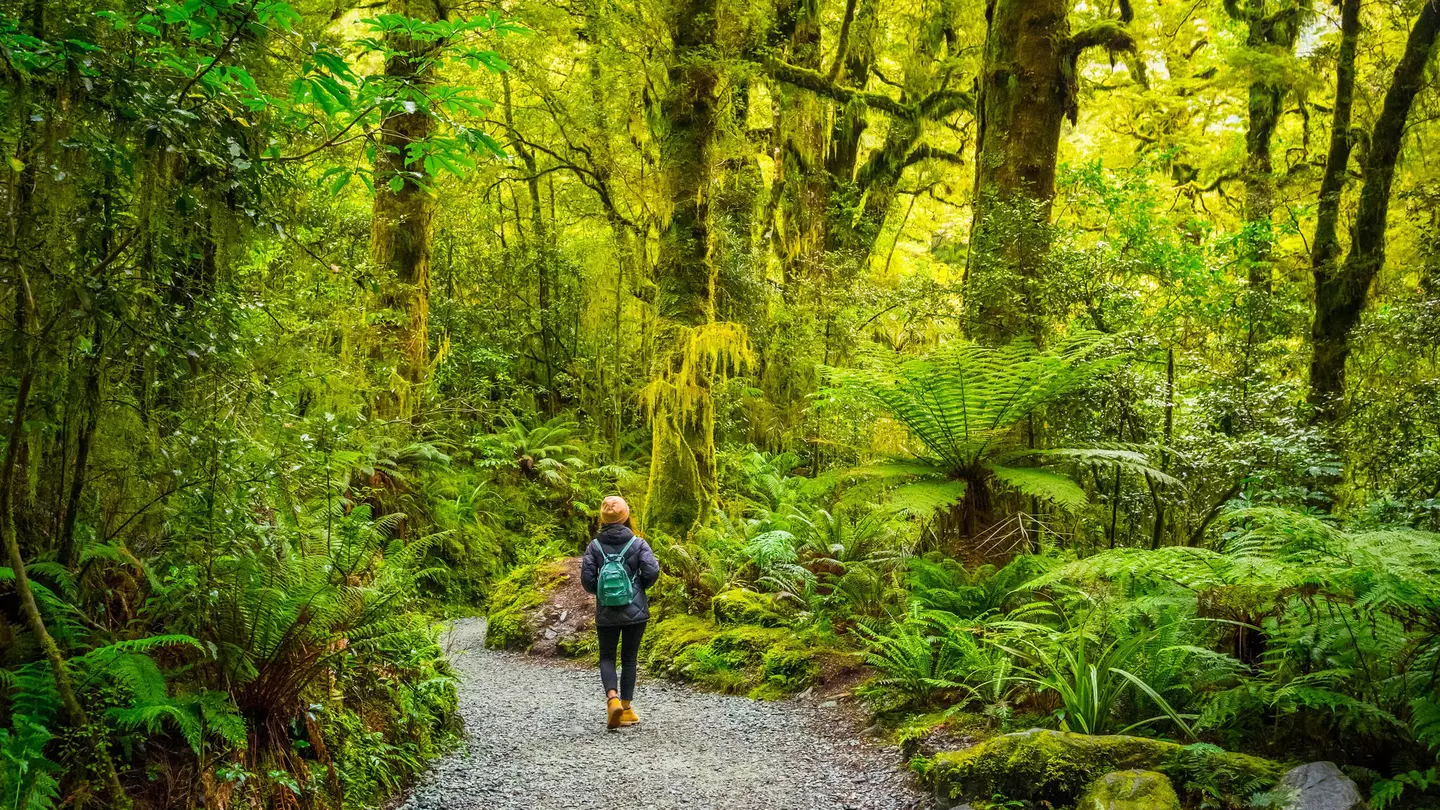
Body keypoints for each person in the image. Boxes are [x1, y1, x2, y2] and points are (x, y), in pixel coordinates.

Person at [580, 495, 660, 730]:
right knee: (629, 658)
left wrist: (603, 593)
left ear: (602, 519)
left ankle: (612, 698)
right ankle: (625, 708)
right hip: (636, 612)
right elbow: (652, 572)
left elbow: (586, 580)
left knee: (607, 656)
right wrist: (638, 588)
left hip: (606, 612)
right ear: (626, 517)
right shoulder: (638, 543)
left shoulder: (594, 546)